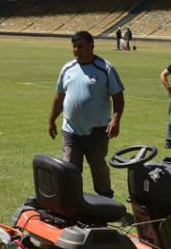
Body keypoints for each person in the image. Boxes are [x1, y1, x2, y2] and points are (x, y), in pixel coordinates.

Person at [48, 30, 125, 198]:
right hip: (71, 130)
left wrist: (116, 120)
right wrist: (52, 119)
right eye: (74, 47)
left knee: (98, 167)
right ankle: (72, 202)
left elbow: (118, 97)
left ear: (91, 46)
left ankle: (106, 200)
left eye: (81, 46)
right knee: (69, 168)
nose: (77, 50)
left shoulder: (105, 68)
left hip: (97, 131)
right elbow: (59, 96)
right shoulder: (67, 68)